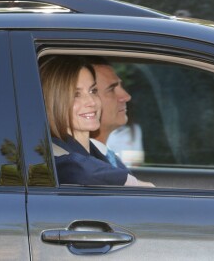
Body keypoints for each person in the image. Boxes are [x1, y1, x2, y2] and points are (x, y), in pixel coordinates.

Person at [39, 55, 153, 187]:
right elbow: (77, 169)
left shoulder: (100, 151)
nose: (92, 102)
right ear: (51, 103)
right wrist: (135, 184)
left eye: (93, 91)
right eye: (76, 95)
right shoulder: (50, 155)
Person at [90, 58, 144, 166]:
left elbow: (136, 164)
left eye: (121, 86)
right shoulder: (85, 168)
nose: (127, 97)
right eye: (111, 89)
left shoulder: (107, 159)